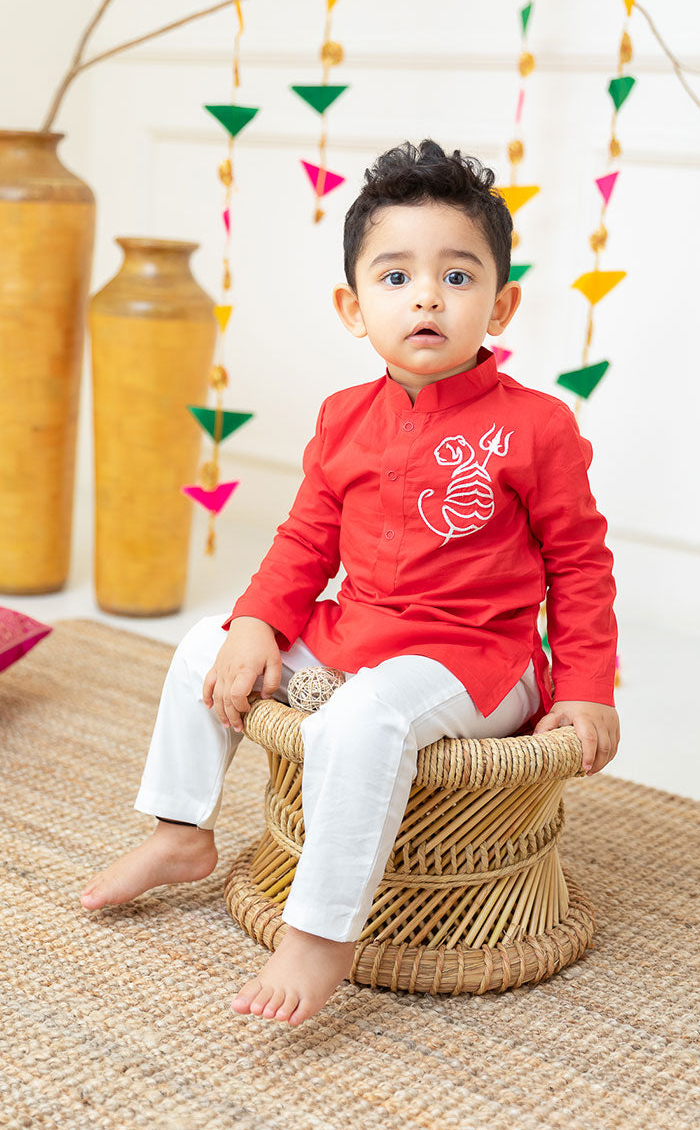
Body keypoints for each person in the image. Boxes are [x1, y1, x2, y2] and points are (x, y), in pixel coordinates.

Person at [81, 140, 619, 1027]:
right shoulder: (343, 418)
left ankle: (323, 931)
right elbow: (303, 542)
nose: (427, 298)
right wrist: (257, 621)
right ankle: (181, 832)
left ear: (501, 303)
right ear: (353, 306)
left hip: (476, 658)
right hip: (359, 631)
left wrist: (589, 688)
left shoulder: (538, 426)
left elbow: (580, 564)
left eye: (457, 276)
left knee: (366, 717)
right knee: (204, 645)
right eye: (397, 277)